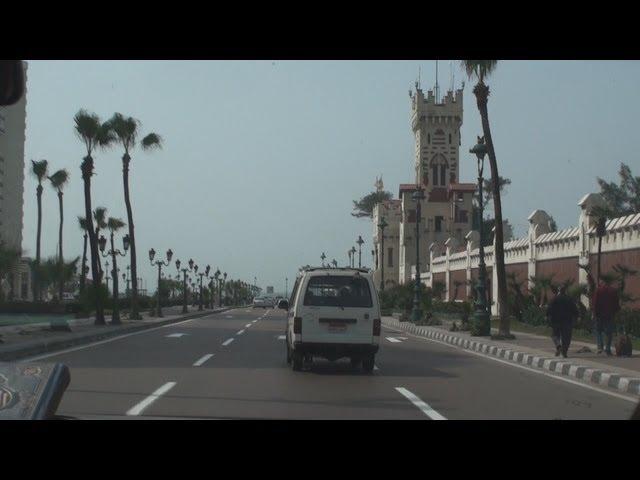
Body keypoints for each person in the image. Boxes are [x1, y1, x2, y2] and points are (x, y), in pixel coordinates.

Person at [546, 285, 579, 358]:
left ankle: (558, 346)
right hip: (567, 321)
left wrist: (548, 317)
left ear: (559, 291)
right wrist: (576, 318)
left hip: (556, 321)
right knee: (566, 337)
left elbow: (549, 309)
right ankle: (564, 352)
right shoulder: (569, 299)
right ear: (565, 291)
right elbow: (575, 310)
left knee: (554, 335)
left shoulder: (555, 299)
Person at [592, 281, 621, 356]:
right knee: (609, 332)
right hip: (610, 315)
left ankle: (600, 346)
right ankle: (608, 349)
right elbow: (616, 303)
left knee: (598, 331)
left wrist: (594, 313)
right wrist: (616, 312)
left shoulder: (598, 290)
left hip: (599, 315)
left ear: (602, 283)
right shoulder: (613, 291)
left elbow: (595, 303)